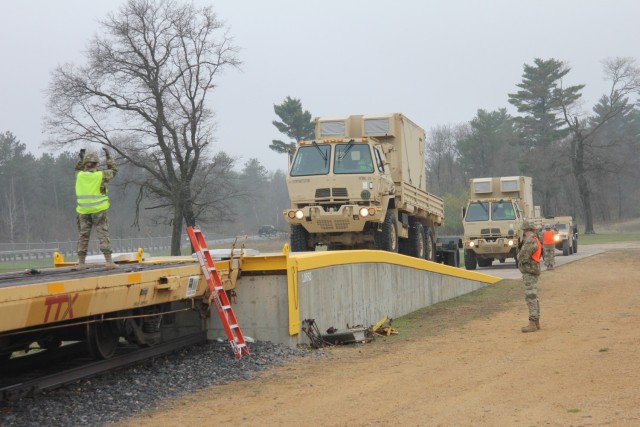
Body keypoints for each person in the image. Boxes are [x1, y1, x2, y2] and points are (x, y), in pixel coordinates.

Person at [75, 148, 118, 270]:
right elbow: (114, 170)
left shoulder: (80, 175)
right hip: (99, 210)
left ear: (85, 165)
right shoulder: (101, 175)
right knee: (103, 234)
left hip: (83, 211)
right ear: (97, 164)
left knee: (83, 236)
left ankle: (81, 264)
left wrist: (81, 157)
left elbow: (78, 168)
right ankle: (109, 262)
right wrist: (109, 157)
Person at [517, 220, 542, 333]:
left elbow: (522, 256)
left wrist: (518, 253)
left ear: (527, 230)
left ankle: (533, 322)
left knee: (530, 296)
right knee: (534, 296)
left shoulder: (530, 241)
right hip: (533, 270)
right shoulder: (535, 238)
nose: (523, 233)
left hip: (529, 270)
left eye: (524, 230)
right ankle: (536, 322)